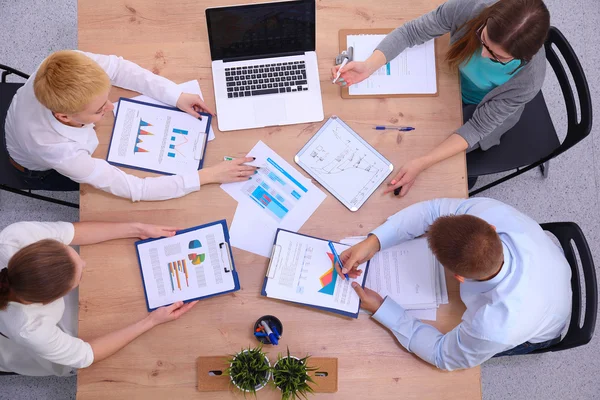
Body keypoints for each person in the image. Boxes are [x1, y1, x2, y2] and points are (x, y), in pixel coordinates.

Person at [331, 0, 550, 195]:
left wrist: (423, 163)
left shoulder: (528, 79)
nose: (483, 55)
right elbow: (411, 32)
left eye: (497, 57)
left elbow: (477, 128)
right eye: (483, 40)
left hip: (478, 110)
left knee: (439, 164)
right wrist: (369, 66)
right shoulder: (469, 8)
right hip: (447, 82)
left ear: (523, 58)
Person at [338, 197, 572, 370]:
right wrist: (374, 242)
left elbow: (442, 355)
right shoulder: (490, 213)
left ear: (459, 278)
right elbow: (431, 210)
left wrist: (382, 309)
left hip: (546, 327)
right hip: (554, 264)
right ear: (490, 228)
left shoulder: (495, 326)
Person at [5, 50, 256, 201]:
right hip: (33, 169)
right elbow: (136, 189)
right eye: (99, 109)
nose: (112, 107)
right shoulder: (60, 151)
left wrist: (175, 95)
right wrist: (209, 175)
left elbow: (119, 68)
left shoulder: (64, 63)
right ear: (65, 117)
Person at [0, 221, 198, 376]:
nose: (84, 263)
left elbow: (73, 232)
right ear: (52, 299)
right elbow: (87, 355)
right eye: (80, 277)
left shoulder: (15, 237)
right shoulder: (33, 330)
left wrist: (137, 228)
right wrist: (152, 320)